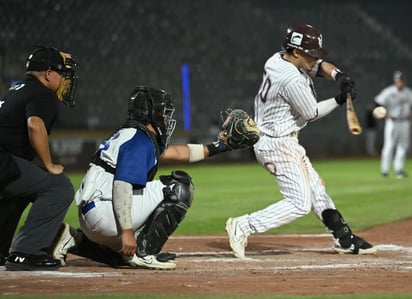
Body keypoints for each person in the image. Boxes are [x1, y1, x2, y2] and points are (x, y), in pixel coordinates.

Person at [225, 24, 377, 259]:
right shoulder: (290, 80)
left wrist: (339, 75)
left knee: (317, 190)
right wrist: (339, 98)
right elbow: (312, 113)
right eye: (310, 52)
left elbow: (319, 67)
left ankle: (343, 238)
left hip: (283, 141)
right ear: (296, 52)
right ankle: (244, 225)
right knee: (300, 203)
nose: (315, 58)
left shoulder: (276, 59)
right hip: (276, 144)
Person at [52, 86, 233, 270]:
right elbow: (122, 185)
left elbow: (179, 152)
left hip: (93, 215)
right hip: (106, 214)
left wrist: (221, 146)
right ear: (152, 113)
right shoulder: (139, 140)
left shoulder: (131, 135)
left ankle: (74, 239)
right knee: (179, 186)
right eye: (164, 113)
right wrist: (127, 231)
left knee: (120, 257)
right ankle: (145, 253)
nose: (166, 119)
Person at [0, 46, 78, 270]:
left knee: (20, 189)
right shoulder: (43, 94)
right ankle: (26, 252)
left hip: (4, 161)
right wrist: (48, 164)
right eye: (63, 75)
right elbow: (35, 124)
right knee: (58, 186)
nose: (66, 81)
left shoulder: (15, 89)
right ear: (48, 74)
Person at [374, 71, 412, 178]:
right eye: (398, 80)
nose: (400, 82)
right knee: (389, 145)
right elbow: (377, 103)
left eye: (402, 80)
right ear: (395, 81)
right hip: (392, 122)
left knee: (403, 146)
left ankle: (399, 170)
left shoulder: (408, 92)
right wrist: (385, 114)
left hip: (405, 122)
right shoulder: (389, 92)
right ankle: (385, 170)